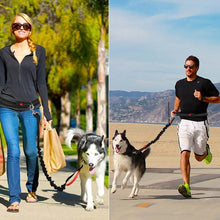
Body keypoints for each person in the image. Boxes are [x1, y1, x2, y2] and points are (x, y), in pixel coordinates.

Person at [0, 13, 52, 212]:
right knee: (13, 150)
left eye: (25, 25)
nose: (21, 28)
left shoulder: (39, 51)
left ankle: (31, 188)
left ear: (30, 29)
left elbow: (41, 83)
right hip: (6, 107)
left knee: (31, 151)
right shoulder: (3, 53)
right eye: (16, 25)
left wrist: (46, 112)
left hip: (31, 108)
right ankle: (14, 197)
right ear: (12, 29)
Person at [171, 55, 219, 198]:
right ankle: (186, 185)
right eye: (186, 66)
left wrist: (203, 98)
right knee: (184, 153)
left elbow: (218, 98)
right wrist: (175, 110)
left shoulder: (204, 83)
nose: (188, 69)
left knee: (198, 157)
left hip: (200, 123)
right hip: (184, 123)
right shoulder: (179, 84)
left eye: (191, 66)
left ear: (196, 68)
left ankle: (206, 151)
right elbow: (178, 98)